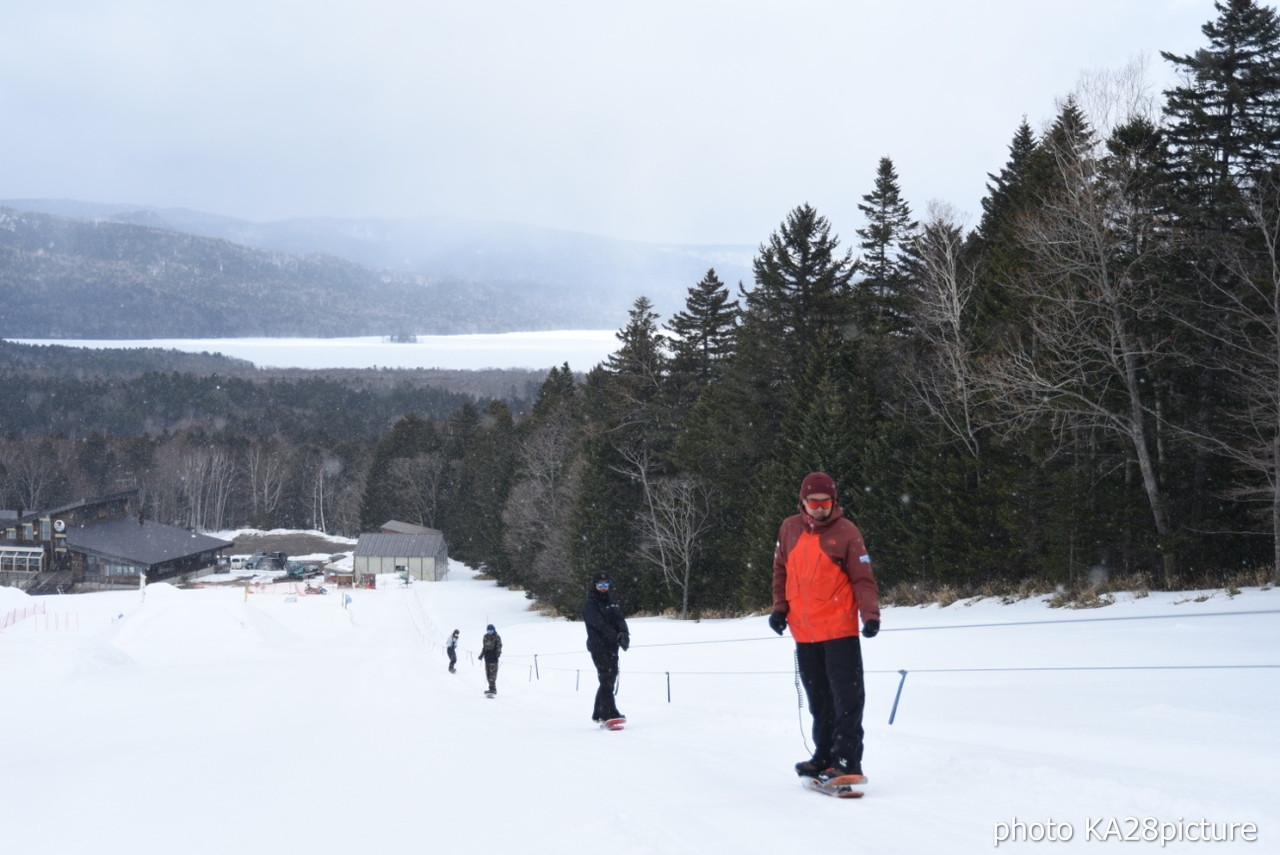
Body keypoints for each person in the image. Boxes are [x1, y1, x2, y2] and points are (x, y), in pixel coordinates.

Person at [769, 471, 880, 782]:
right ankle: (824, 756)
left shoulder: (847, 532)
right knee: (819, 699)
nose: (820, 508)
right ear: (803, 502)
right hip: (804, 633)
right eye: (814, 502)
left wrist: (870, 616)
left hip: (839, 630)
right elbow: (780, 571)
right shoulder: (789, 528)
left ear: (834, 502)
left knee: (847, 699)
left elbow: (863, 579)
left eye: (826, 502)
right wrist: (780, 610)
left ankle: (847, 760)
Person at [583, 571, 629, 723]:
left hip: (611, 646)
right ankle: (608, 712)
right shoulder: (591, 604)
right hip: (599, 646)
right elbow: (599, 625)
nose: (603, 588)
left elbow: (619, 619)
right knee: (607, 678)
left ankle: (598, 712)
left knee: (610, 677)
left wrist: (624, 634)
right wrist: (615, 636)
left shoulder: (611, 602)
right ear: (594, 585)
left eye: (606, 584)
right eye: (600, 585)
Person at [478, 624, 502, 694]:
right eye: (488, 630)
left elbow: (499, 646)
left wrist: (498, 653)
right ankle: (490, 688)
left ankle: (493, 689)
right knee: (488, 674)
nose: (490, 632)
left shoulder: (497, 637)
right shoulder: (485, 636)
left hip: (493, 658)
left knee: (493, 674)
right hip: (487, 658)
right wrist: (481, 655)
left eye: (491, 630)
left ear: (494, 630)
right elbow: (484, 647)